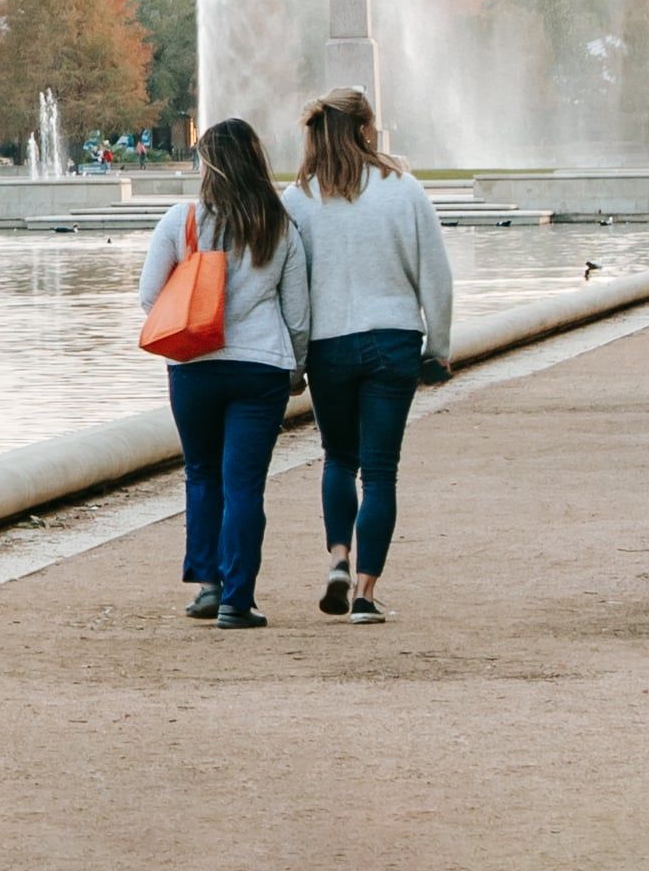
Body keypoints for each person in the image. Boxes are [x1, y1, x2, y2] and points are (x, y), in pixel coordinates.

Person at [282, 89, 452, 627]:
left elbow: (291, 287)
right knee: (380, 472)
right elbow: (436, 277)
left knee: (338, 457)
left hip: (329, 342)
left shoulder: (298, 198)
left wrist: (296, 355)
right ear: (364, 130)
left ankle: (337, 557)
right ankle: (365, 593)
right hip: (393, 335)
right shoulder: (403, 189)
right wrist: (439, 348)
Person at [139, 117, 310, 630]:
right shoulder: (278, 226)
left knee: (202, 473)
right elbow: (297, 313)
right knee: (245, 485)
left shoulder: (181, 220)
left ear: (207, 164)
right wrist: (297, 368)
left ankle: (208, 586)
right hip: (260, 368)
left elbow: (150, 296)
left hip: (193, 366)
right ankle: (239, 599)